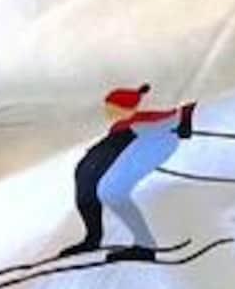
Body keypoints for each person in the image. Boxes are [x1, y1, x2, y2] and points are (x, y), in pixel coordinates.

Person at [62, 84, 196, 262]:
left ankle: (145, 246)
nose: (108, 114)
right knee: (85, 172)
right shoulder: (128, 117)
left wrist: (185, 119)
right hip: (131, 131)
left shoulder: (152, 117)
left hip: (158, 135)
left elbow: (193, 90)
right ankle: (93, 238)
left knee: (111, 191)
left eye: (112, 109)